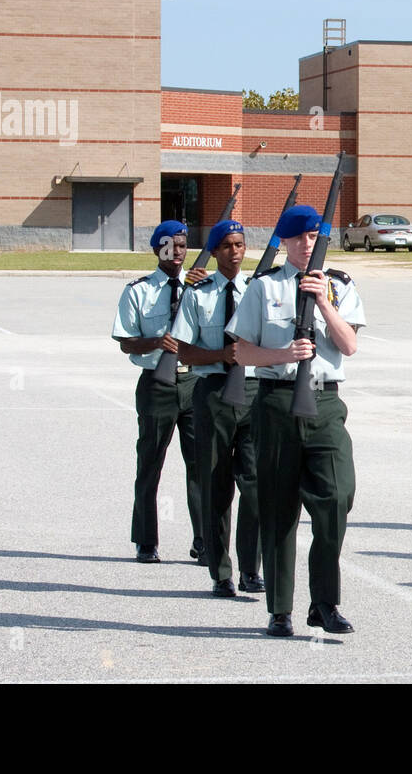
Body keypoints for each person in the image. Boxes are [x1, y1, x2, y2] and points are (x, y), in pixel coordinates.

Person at [228, 204, 365, 638]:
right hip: (276, 402)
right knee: (278, 506)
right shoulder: (262, 287)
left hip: (325, 405)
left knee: (337, 497)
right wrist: (282, 355)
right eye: (299, 237)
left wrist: (323, 302)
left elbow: (348, 345)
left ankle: (324, 603)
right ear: (283, 242)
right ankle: (280, 609)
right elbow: (240, 352)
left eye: (314, 236)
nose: (308, 245)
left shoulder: (340, 285)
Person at [171, 219, 262, 599]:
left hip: (255, 392)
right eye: (226, 245)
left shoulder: (259, 291)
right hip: (213, 391)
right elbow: (184, 350)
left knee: (255, 485)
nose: (235, 251)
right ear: (214, 251)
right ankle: (220, 571)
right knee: (216, 486)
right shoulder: (199, 292)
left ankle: (250, 569)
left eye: (239, 244)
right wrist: (221, 355)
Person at [111, 220, 204, 564]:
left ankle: (204, 539)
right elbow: (125, 342)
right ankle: (146, 540)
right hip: (156, 383)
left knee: (201, 465)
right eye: (170, 246)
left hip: (195, 382)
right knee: (150, 463)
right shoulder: (139, 290)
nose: (177, 253)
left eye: (182, 246)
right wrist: (156, 342)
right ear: (157, 249)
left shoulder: (200, 286)